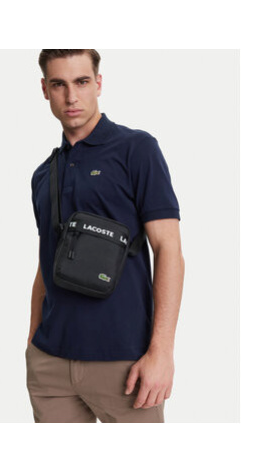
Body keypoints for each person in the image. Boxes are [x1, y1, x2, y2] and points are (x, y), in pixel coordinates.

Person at [26, 49, 185, 423]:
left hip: (125, 364)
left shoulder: (137, 149)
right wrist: (33, 342)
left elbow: (168, 249)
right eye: (59, 84)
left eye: (81, 82)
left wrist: (161, 352)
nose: (71, 96)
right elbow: (46, 261)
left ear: (98, 83)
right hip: (50, 365)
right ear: (45, 90)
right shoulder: (43, 174)